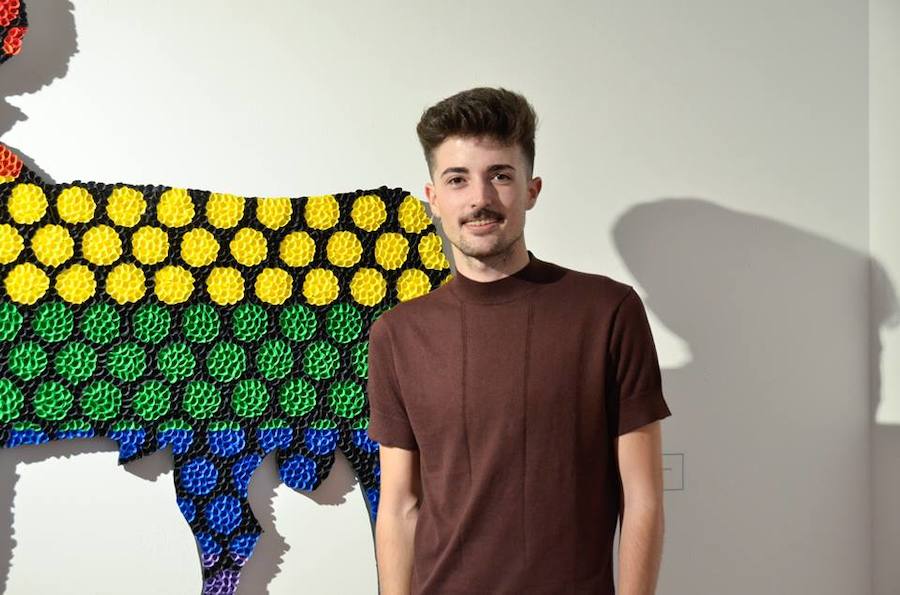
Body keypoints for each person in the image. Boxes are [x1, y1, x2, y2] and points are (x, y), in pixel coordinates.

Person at [366, 87, 672, 595]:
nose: (480, 199)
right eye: (457, 179)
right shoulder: (397, 335)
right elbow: (399, 506)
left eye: (500, 176)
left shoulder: (607, 312)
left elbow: (642, 497)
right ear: (434, 199)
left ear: (531, 189)